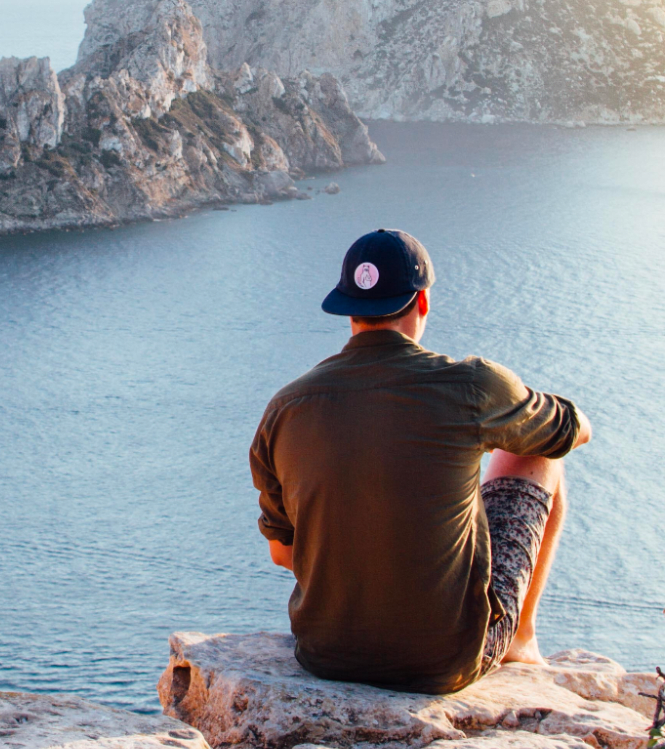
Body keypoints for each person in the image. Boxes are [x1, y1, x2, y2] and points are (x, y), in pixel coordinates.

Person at [249, 228, 590, 694]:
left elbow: (283, 552)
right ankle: (520, 640)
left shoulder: (285, 408)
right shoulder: (471, 386)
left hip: (325, 654)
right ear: (422, 302)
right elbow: (571, 431)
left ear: (348, 309)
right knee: (540, 453)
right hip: (443, 661)